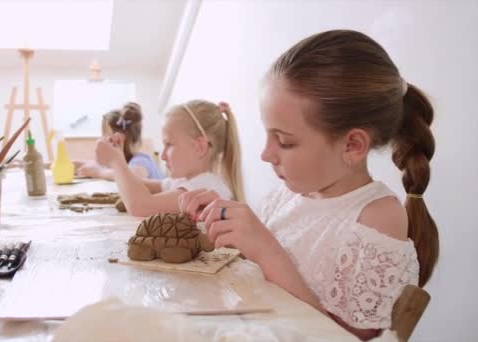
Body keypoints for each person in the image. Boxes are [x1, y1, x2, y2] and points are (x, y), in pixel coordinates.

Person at [179, 30, 438, 340]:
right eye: (267, 135)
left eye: (285, 141)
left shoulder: (376, 217)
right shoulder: (286, 196)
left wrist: (268, 251)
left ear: (352, 146)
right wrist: (220, 221)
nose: (265, 154)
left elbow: (347, 338)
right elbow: (251, 272)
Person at [95, 99, 244, 217]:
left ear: (199, 147)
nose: (163, 155)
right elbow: (140, 185)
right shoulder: (184, 181)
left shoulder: (207, 187)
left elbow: (140, 206)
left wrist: (116, 162)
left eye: (169, 144)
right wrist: (119, 157)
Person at [78, 102, 163, 180]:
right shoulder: (115, 165)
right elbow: (87, 164)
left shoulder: (141, 160)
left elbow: (132, 177)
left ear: (120, 140)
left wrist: (98, 172)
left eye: (106, 136)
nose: (101, 141)